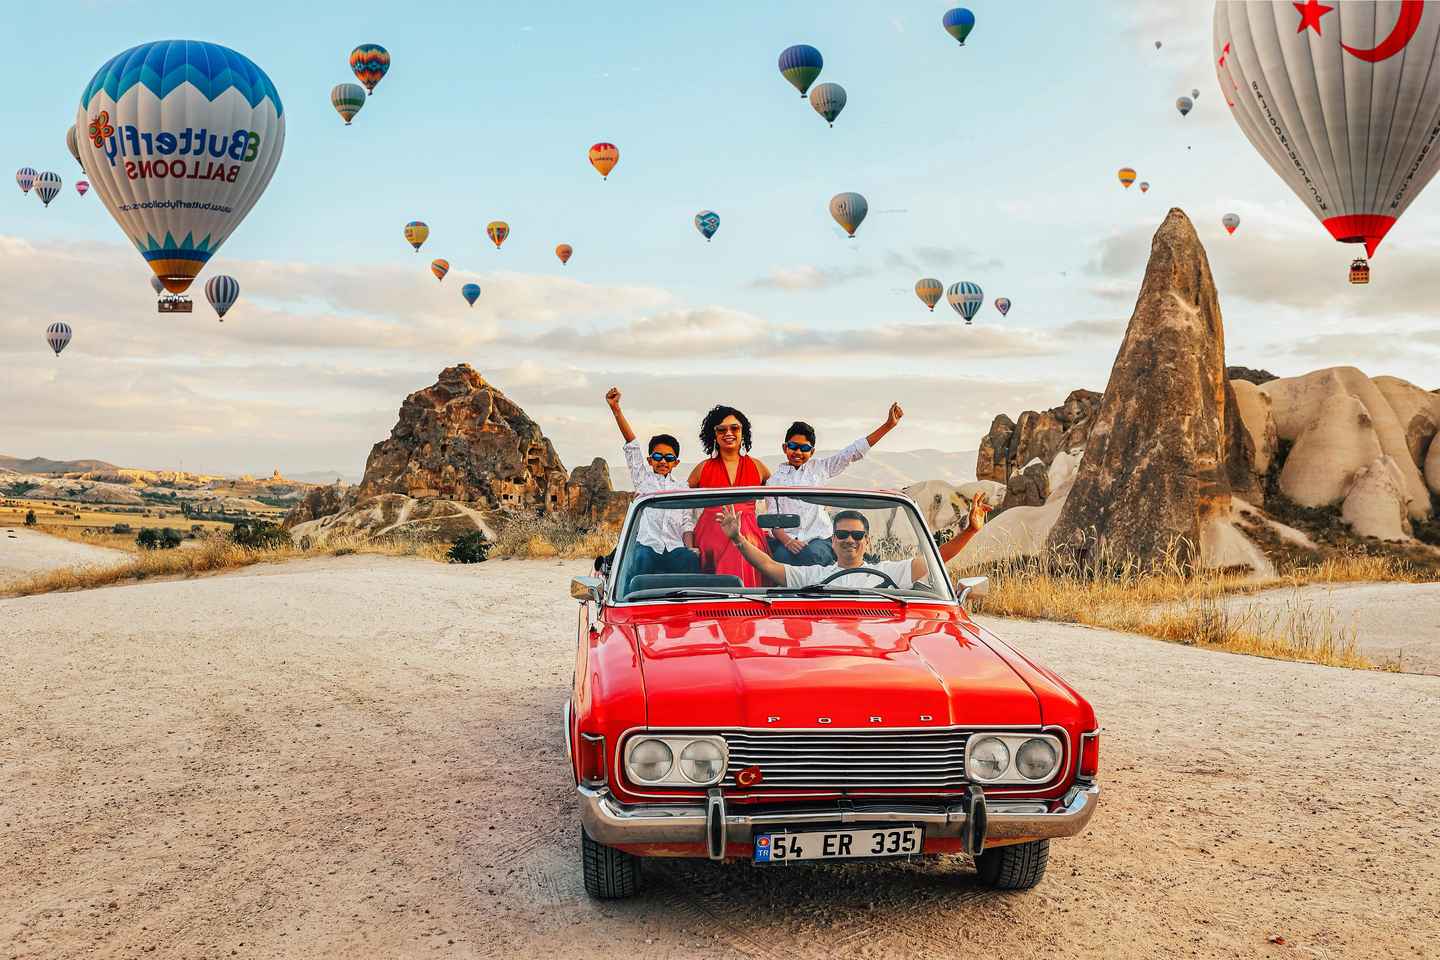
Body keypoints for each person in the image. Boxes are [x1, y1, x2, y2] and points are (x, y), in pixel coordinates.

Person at [715, 493, 991, 591]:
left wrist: (970, 531)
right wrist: (738, 538)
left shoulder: (890, 572)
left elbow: (937, 558)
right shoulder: (814, 575)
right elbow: (769, 566)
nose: (850, 540)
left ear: (867, 541)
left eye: (857, 536)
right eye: (843, 535)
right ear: (832, 540)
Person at [767, 403, 904, 566]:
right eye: (793, 446)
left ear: (812, 452)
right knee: (780, 560)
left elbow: (851, 453)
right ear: (785, 448)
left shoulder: (819, 469)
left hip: (818, 538)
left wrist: (888, 425)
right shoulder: (774, 481)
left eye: (804, 448)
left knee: (813, 556)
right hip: (787, 539)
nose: (798, 452)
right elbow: (773, 520)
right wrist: (788, 541)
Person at [605, 387, 698, 581]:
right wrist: (616, 409)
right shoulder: (643, 480)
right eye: (657, 457)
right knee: (640, 560)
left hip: (674, 546)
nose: (663, 461)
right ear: (650, 460)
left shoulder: (682, 488)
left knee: (690, 559)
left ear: (676, 462)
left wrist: (691, 549)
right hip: (647, 545)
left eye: (668, 458)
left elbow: (686, 524)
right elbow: (632, 445)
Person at [687, 404, 772, 587]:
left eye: (735, 428)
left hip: (748, 529)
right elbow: (681, 502)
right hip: (712, 530)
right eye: (721, 429)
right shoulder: (702, 469)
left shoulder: (758, 467)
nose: (728, 433)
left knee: (745, 544)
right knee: (733, 545)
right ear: (714, 435)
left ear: (743, 433)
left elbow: (778, 499)